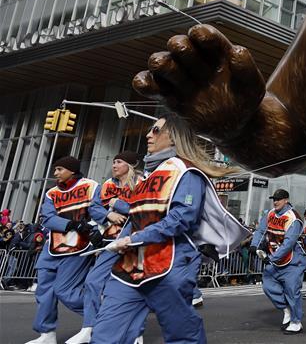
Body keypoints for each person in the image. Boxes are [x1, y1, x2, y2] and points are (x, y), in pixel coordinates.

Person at [90, 114, 249, 344]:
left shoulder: (186, 172)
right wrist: (115, 243)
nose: (148, 135)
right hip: (129, 268)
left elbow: (181, 218)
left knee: (183, 337)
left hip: (168, 268)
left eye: (155, 130)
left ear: (173, 137)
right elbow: (134, 218)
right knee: (103, 334)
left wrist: (135, 238)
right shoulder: (147, 177)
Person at [26, 156, 100, 344]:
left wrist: (92, 227)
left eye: (59, 169)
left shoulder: (91, 186)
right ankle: (46, 334)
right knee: (44, 291)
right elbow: (47, 218)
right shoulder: (51, 192)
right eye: (55, 169)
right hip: (52, 248)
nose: (55, 173)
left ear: (72, 170)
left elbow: (99, 211)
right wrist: (73, 224)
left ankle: (104, 318)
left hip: (79, 248)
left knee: (65, 291)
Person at [74, 151, 140, 344]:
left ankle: (135, 332)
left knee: (133, 287)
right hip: (108, 243)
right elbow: (93, 207)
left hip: (133, 243)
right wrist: (107, 215)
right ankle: (89, 327)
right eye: (113, 161)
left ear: (130, 165)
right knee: (93, 281)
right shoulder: (106, 185)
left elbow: (141, 209)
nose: (114, 165)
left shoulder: (142, 182)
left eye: (119, 162)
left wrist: (117, 204)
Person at [250, 188, 305, 334]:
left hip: (293, 261)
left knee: (292, 291)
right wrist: (254, 245)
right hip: (274, 260)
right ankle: (286, 310)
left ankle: (296, 322)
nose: (275, 201)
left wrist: (271, 258)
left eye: (278, 199)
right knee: (268, 286)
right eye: (274, 199)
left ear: (286, 200)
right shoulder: (270, 214)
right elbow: (261, 230)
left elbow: (288, 244)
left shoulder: (294, 218)